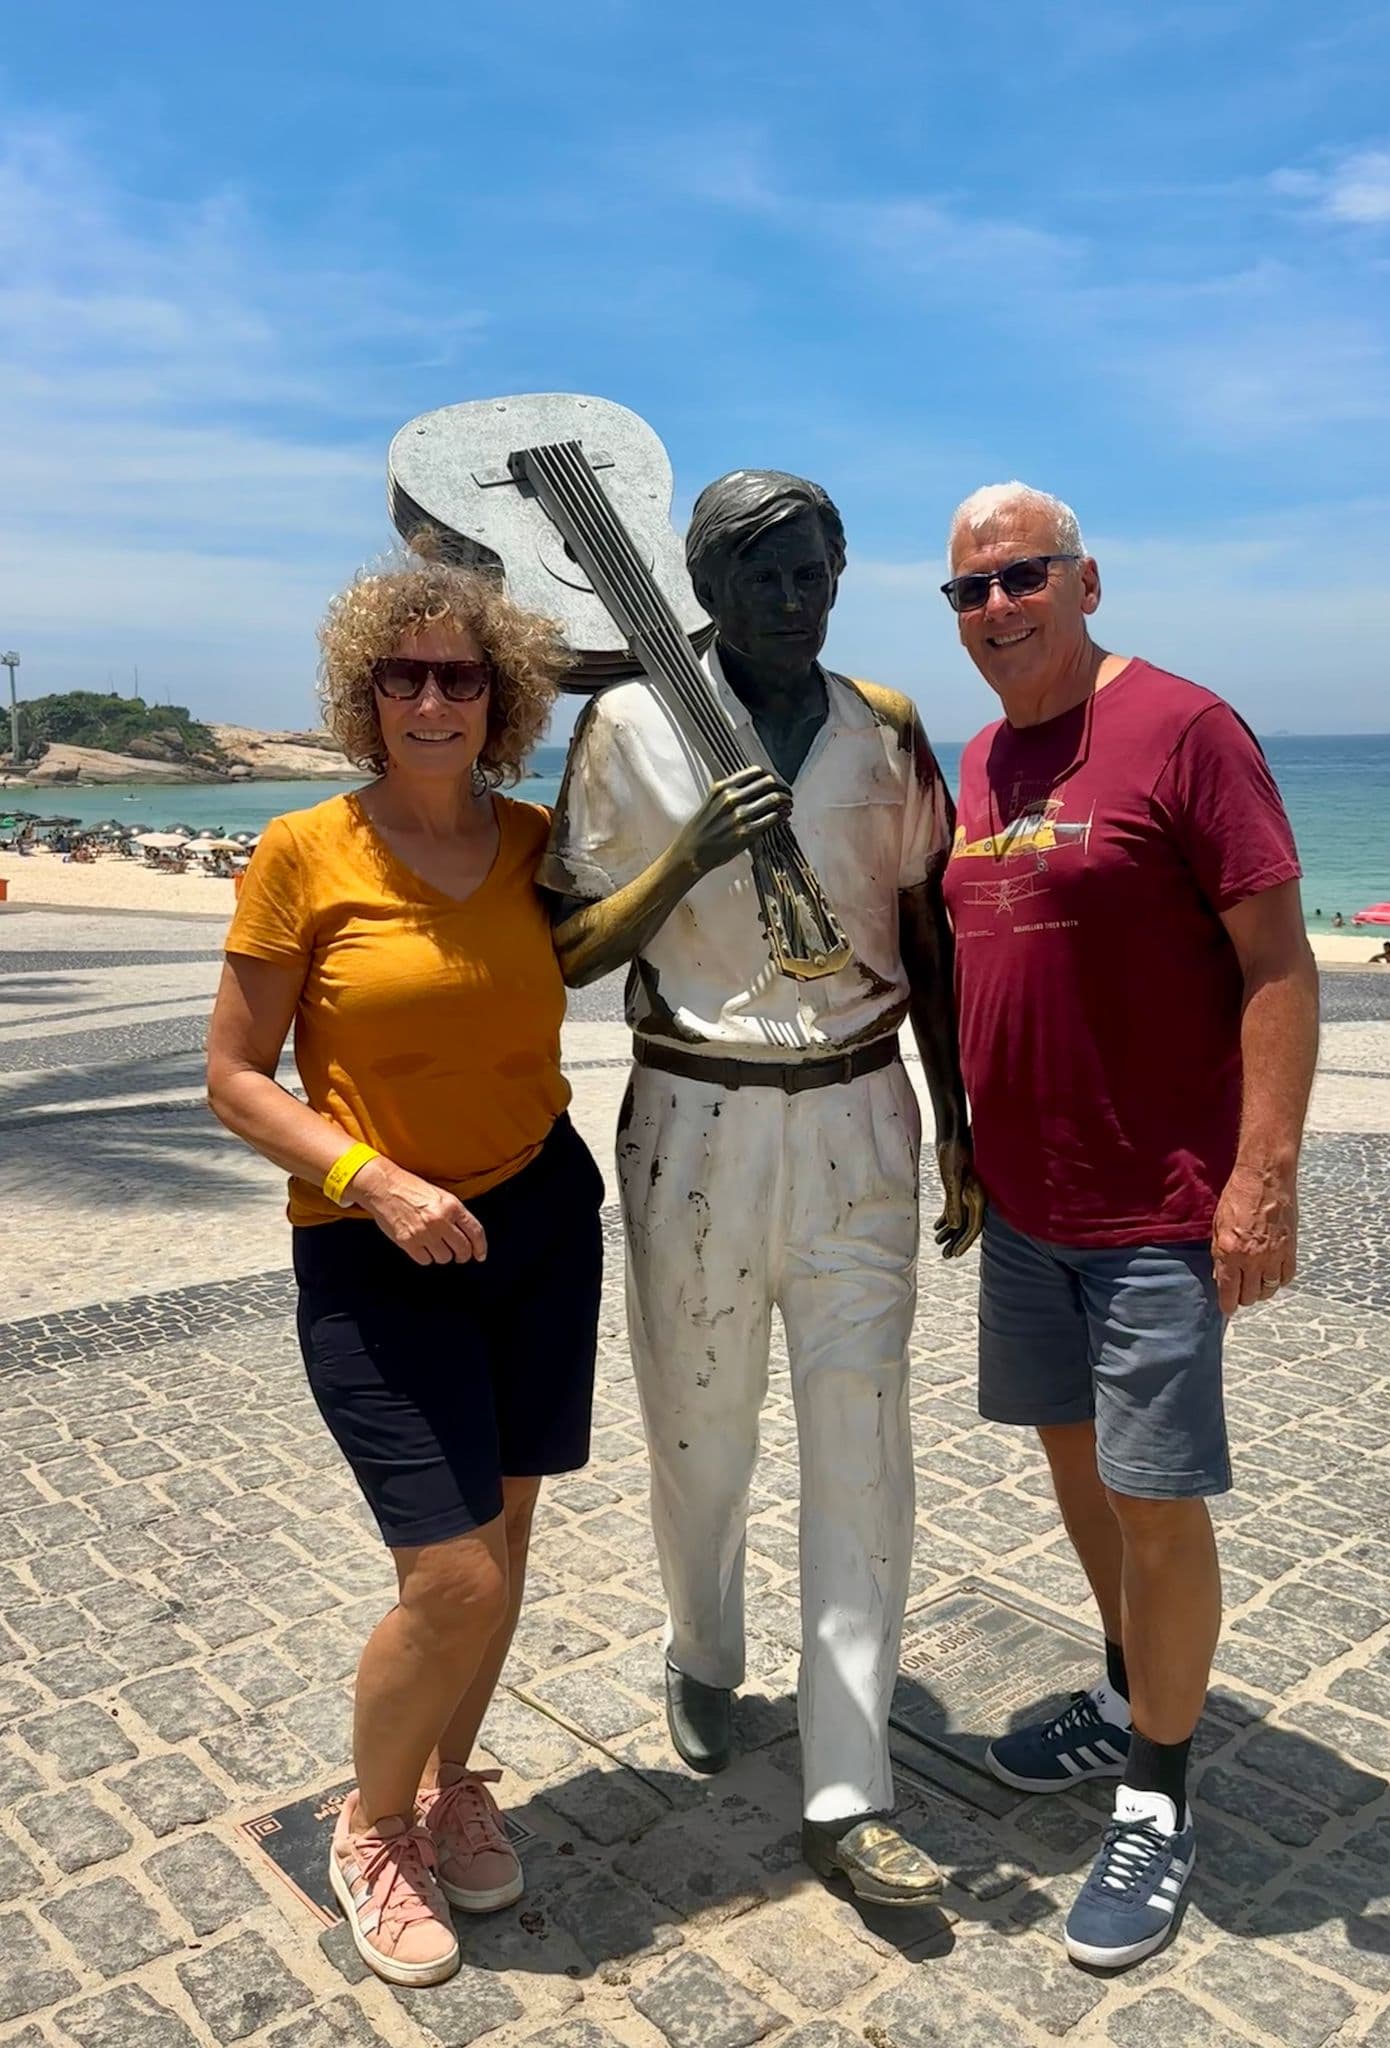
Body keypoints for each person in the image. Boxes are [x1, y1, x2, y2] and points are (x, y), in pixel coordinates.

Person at [543, 469, 983, 1907]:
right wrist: (688, 856)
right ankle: (702, 1647)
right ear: (708, 591)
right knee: (701, 1437)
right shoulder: (624, 728)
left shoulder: (883, 729)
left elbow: (924, 930)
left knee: (863, 1453)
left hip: (862, 1117)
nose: (797, 602)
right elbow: (567, 950)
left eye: (817, 575)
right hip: (695, 1124)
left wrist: (960, 1127)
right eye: (768, 579)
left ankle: (850, 1786)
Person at [207, 554, 604, 1989]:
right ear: (366, 694)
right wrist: (370, 1181)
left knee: (503, 1555)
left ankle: (454, 1786)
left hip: (543, 1226)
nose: (432, 698)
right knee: (446, 1577)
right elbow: (235, 1080)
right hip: (377, 1251)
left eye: (461, 676)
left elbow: (644, 913)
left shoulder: (535, 843)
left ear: (499, 702)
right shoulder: (304, 851)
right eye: (404, 675)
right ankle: (374, 1828)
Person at [941, 482, 1318, 1970]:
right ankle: (1122, 1695)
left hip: (1158, 1208)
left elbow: (1281, 965)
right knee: (1080, 1472)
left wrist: (1261, 1176)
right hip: (1028, 1210)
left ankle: (1159, 1792)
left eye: (1021, 578)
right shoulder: (981, 759)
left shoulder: (1186, 727)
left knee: (1159, 1504)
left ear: (1087, 581)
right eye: (966, 592)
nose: (995, 610)